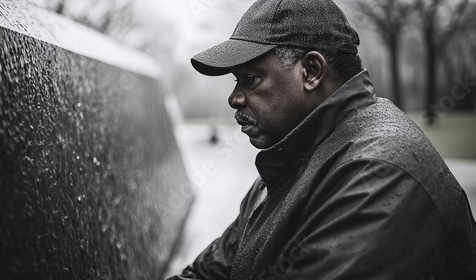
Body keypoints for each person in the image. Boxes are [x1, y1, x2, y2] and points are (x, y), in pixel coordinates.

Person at [168, 0, 476, 279]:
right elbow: (211, 271)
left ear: (311, 72)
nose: (234, 98)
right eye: (237, 81)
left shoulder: (379, 175)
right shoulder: (287, 159)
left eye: (250, 79)